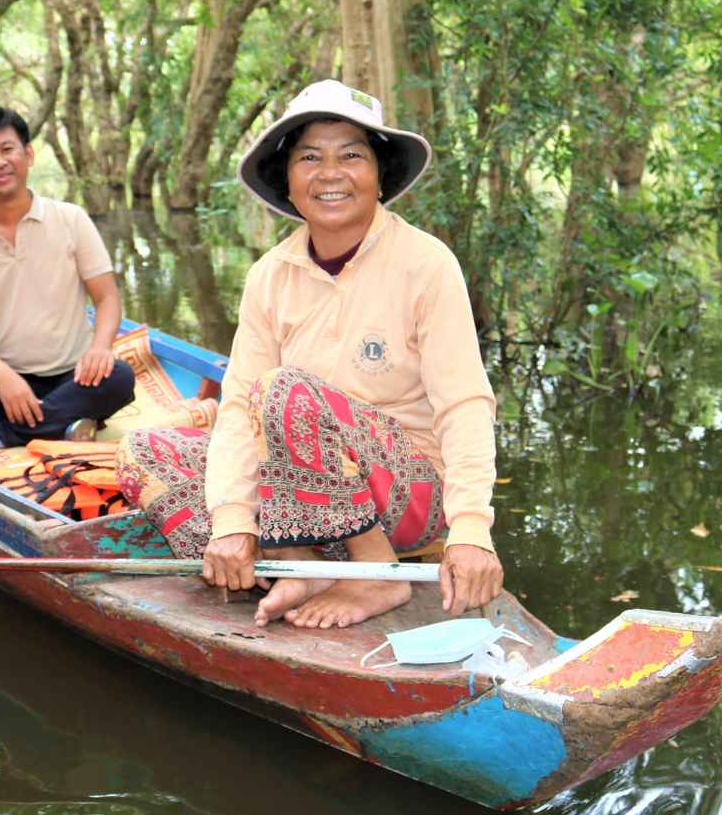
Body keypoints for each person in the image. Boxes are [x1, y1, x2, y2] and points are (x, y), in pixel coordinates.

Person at [117, 79, 502, 629]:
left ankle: (372, 574)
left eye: (351, 154)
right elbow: (236, 409)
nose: (331, 173)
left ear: (379, 175)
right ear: (289, 183)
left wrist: (471, 529)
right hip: (304, 493)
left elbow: (464, 403)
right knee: (146, 451)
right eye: (310, 158)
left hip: (408, 491)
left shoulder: (426, 264)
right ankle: (301, 561)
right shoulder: (269, 276)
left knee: (284, 390)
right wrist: (230, 522)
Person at [0, 106, 135, 451]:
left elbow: (106, 298)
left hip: (74, 375)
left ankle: (0, 437)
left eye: (7, 149)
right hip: (0, 381)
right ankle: (61, 426)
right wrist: (3, 376)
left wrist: (99, 348)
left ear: (28, 154)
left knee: (119, 379)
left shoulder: (71, 219)